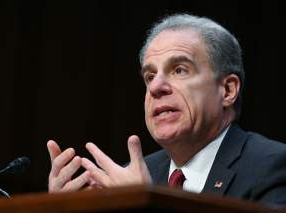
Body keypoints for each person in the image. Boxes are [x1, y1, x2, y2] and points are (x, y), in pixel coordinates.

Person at [47, 14, 286, 205]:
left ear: (228, 90)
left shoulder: (272, 167)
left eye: (179, 70)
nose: (156, 87)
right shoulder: (133, 176)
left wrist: (143, 203)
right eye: (150, 76)